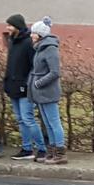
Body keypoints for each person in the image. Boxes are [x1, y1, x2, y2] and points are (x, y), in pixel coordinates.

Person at [3, 13, 46, 161]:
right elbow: (11, 65)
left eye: (10, 25)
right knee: (21, 120)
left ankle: (42, 148)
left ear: (17, 26)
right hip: (13, 87)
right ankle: (27, 148)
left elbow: (34, 66)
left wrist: (28, 83)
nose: (8, 28)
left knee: (28, 119)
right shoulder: (12, 42)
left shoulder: (28, 43)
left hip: (25, 88)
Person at [28, 18, 66, 165]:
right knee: (47, 123)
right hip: (40, 93)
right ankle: (51, 150)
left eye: (34, 33)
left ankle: (60, 152)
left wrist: (39, 83)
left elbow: (54, 72)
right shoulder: (39, 48)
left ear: (40, 34)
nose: (31, 35)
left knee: (54, 122)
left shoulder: (50, 49)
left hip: (48, 92)